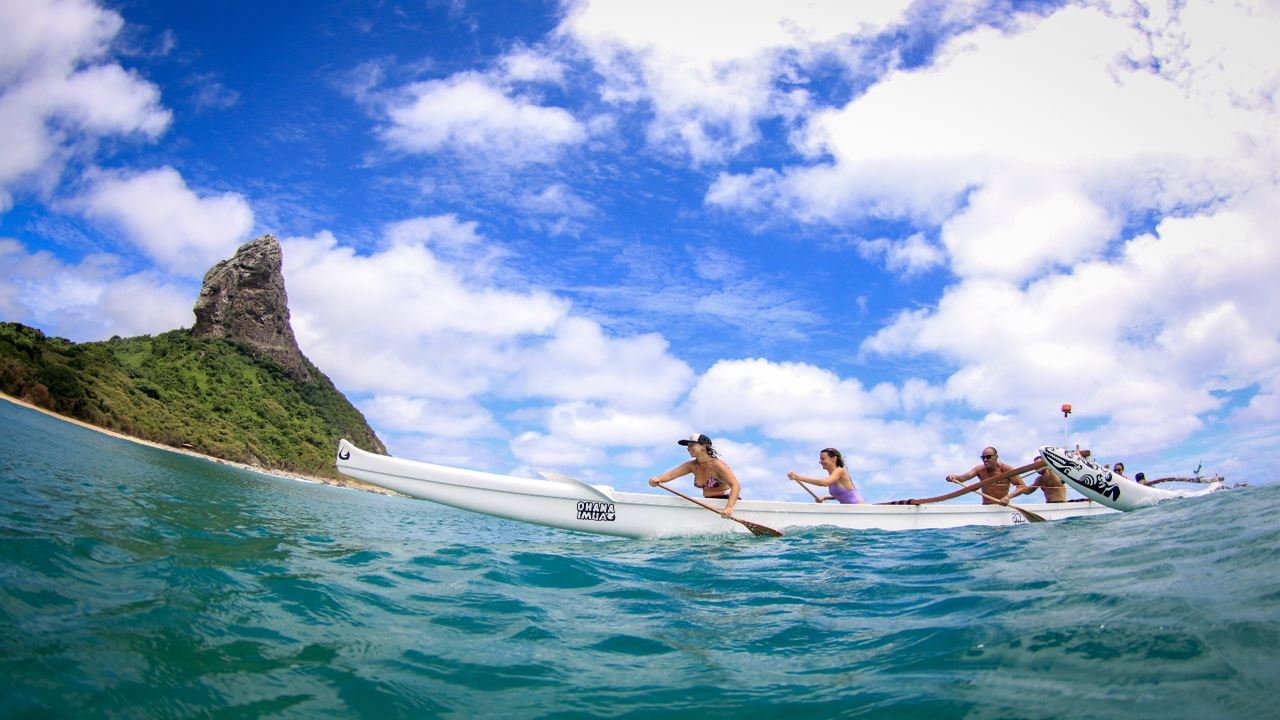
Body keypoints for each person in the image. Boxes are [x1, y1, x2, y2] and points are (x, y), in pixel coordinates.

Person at [648, 433, 741, 517]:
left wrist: (729, 507)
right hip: (709, 503)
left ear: (703, 446)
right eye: (687, 446)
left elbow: (736, 485)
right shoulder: (691, 465)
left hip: (726, 503)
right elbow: (672, 474)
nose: (688, 449)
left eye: (691, 445)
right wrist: (657, 480)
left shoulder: (718, 465)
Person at [945, 446, 1025, 504]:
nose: (985, 460)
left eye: (988, 457)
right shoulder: (979, 470)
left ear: (996, 457)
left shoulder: (1007, 469)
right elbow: (962, 478)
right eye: (983, 458)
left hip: (1002, 508)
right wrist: (953, 477)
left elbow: (1022, 487)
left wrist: (1007, 497)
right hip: (986, 507)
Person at [787, 448, 865, 503]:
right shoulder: (833, 475)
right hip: (848, 510)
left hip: (858, 508)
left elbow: (825, 483)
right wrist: (826, 497)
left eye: (823, 459)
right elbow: (845, 494)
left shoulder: (840, 470)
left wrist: (798, 477)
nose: (820, 462)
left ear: (834, 458)